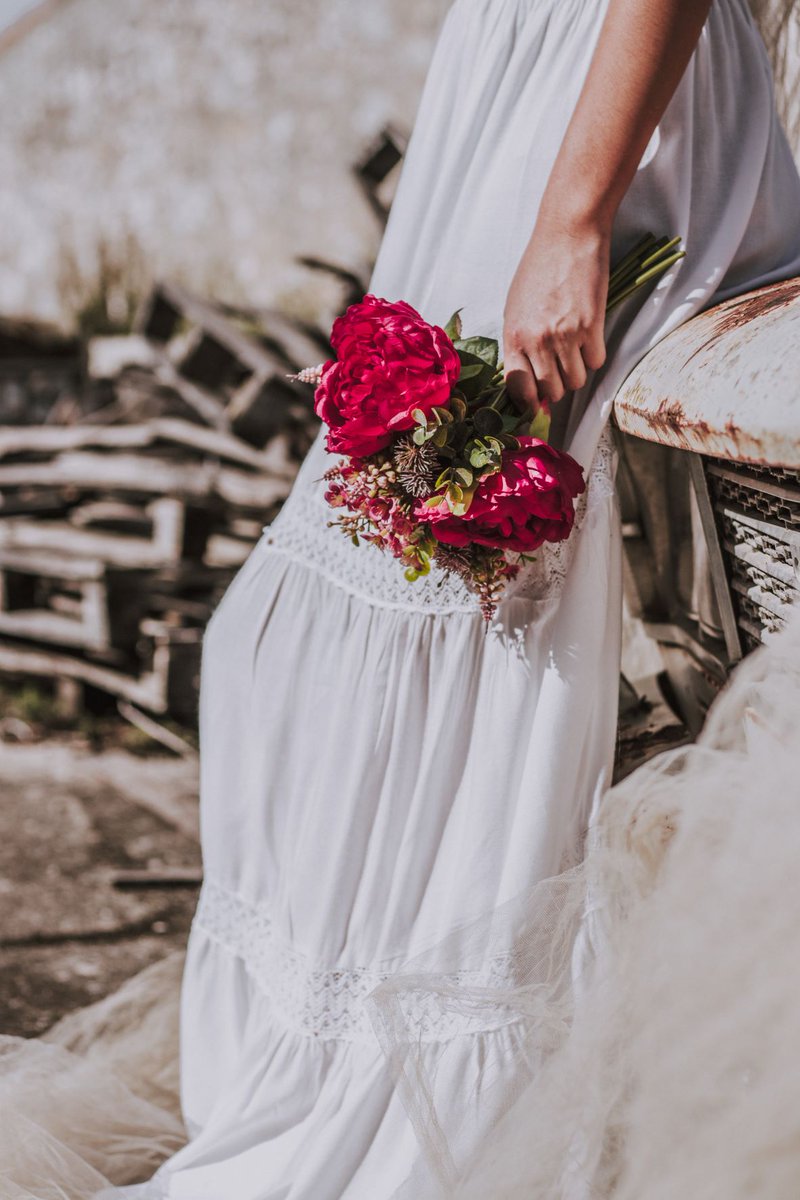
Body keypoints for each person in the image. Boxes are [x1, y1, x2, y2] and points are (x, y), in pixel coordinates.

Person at [4, 1, 800, 1197]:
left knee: (482, 583)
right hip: (514, 80)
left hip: (604, 104)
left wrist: (572, 221)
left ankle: (435, 1092)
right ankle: (321, 1053)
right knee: (358, 588)